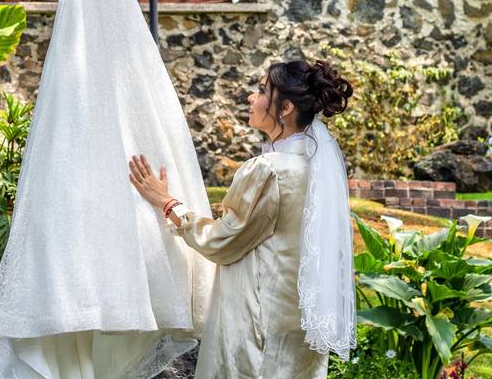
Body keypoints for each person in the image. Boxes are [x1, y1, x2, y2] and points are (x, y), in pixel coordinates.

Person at [129, 58, 358, 379]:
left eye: (263, 90)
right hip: (300, 325)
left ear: (286, 107)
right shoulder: (318, 169)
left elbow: (223, 241)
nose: (252, 97)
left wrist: (167, 203)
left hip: (258, 324)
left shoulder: (268, 169)